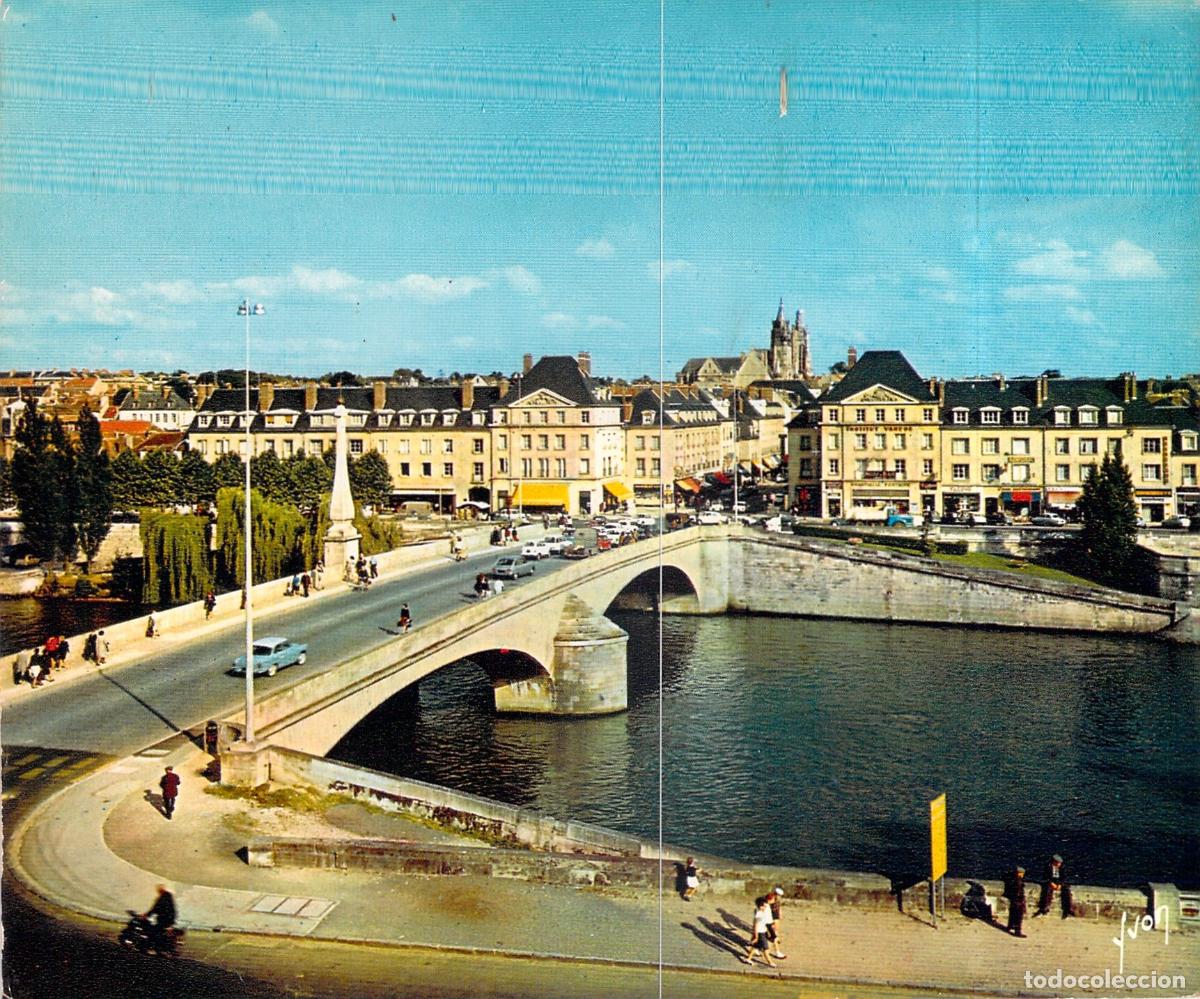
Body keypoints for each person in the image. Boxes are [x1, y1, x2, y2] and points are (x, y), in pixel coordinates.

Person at [741, 895, 776, 967]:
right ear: (760, 906)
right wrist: (756, 936)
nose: (765, 908)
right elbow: (755, 926)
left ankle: (748, 959)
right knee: (766, 948)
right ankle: (770, 962)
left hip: (763, 931)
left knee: (756, 946)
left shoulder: (760, 911)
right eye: (764, 906)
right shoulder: (759, 914)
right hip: (760, 933)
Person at [143, 884, 177, 953]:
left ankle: (154, 949)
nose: (157, 891)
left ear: (160, 890)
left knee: (155, 931)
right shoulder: (168, 896)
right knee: (158, 931)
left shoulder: (163, 897)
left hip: (165, 919)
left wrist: (147, 915)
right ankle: (158, 948)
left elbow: (156, 908)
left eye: (158, 890)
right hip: (169, 919)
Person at [1004, 866, 1027, 937]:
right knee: (1018, 916)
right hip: (1018, 900)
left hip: (1013, 899)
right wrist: (1022, 901)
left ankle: (1010, 926)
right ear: (1019, 873)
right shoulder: (1018, 881)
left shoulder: (1011, 879)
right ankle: (1017, 931)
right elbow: (1019, 892)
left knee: (1012, 913)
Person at [767, 887, 787, 959]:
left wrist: (780, 913)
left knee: (773, 934)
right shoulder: (770, 899)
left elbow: (779, 906)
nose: (780, 897)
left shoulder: (777, 899)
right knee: (774, 935)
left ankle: (756, 948)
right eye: (779, 895)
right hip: (770, 917)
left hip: (775, 916)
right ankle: (778, 952)